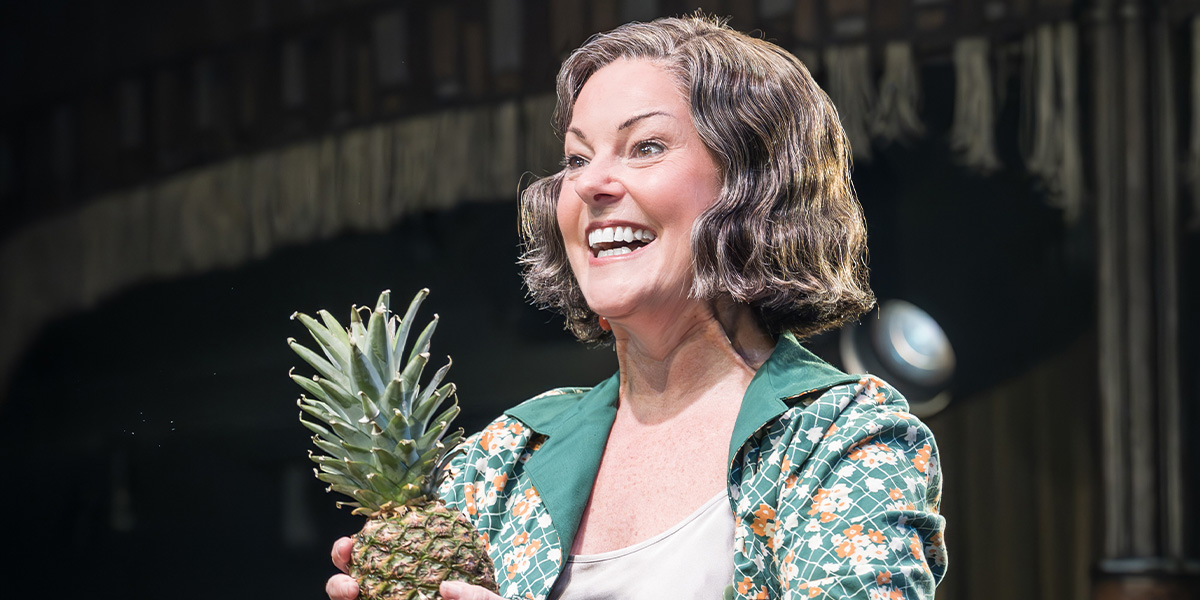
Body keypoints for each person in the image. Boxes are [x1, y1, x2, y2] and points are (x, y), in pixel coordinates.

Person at [328, 14, 947, 600]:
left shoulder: (844, 438)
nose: (589, 184)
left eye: (645, 147)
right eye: (577, 158)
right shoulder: (501, 459)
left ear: (752, 184)